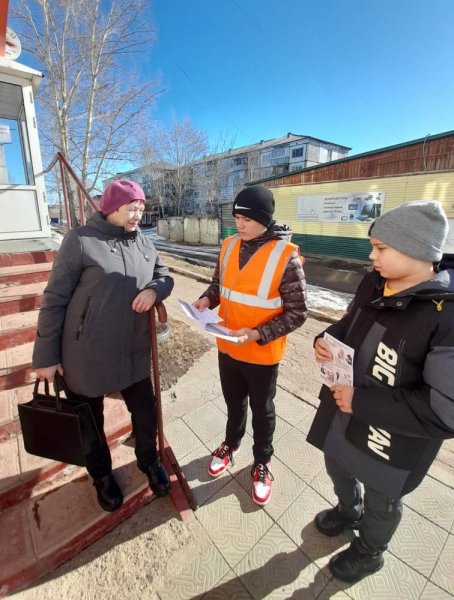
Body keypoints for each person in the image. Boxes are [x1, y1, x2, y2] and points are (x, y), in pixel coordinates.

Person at [307, 200, 454, 583]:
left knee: (382, 499)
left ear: (418, 249)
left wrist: (360, 402)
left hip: (391, 440)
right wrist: (327, 339)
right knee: (337, 463)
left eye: (381, 248)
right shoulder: (374, 281)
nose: (371, 256)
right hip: (345, 415)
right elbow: (349, 322)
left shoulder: (446, 314)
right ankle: (348, 509)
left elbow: (443, 411)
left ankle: (370, 552)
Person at [32, 179, 174, 512]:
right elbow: (54, 299)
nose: (138, 215)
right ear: (111, 208)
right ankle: (101, 476)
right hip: (87, 353)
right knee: (89, 421)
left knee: (145, 412)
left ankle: (149, 461)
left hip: (132, 349)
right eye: (131, 208)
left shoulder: (143, 242)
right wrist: (47, 355)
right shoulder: (81, 241)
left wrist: (155, 290)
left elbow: (164, 273)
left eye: (141, 208)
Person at [193, 185, 307, 506]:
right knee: (233, 403)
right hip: (228, 346)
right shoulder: (229, 245)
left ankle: (262, 462)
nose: (239, 224)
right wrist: (206, 299)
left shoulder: (287, 257)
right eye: (236, 217)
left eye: (246, 218)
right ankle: (231, 444)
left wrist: (257, 334)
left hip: (261, 353)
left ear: (264, 219)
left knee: (263, 410)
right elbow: (220, 285)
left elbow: (298, 312)